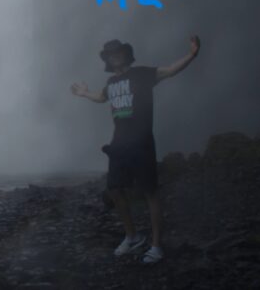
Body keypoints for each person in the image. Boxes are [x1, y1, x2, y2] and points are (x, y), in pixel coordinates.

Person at [70, 35, 201, 265]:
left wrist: (191, 55)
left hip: (141, 142)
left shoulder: (142, 75)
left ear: (125, 54)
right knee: (114, 189)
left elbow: (169, 70)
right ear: (108, 60)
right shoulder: (110, 83)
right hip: (118, 144)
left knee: (150, 192)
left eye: (118, 52)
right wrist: (83, 93)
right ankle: (133, 236)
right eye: (111, 54)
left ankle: (156, 246)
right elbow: (101, 98)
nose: (115, 56)